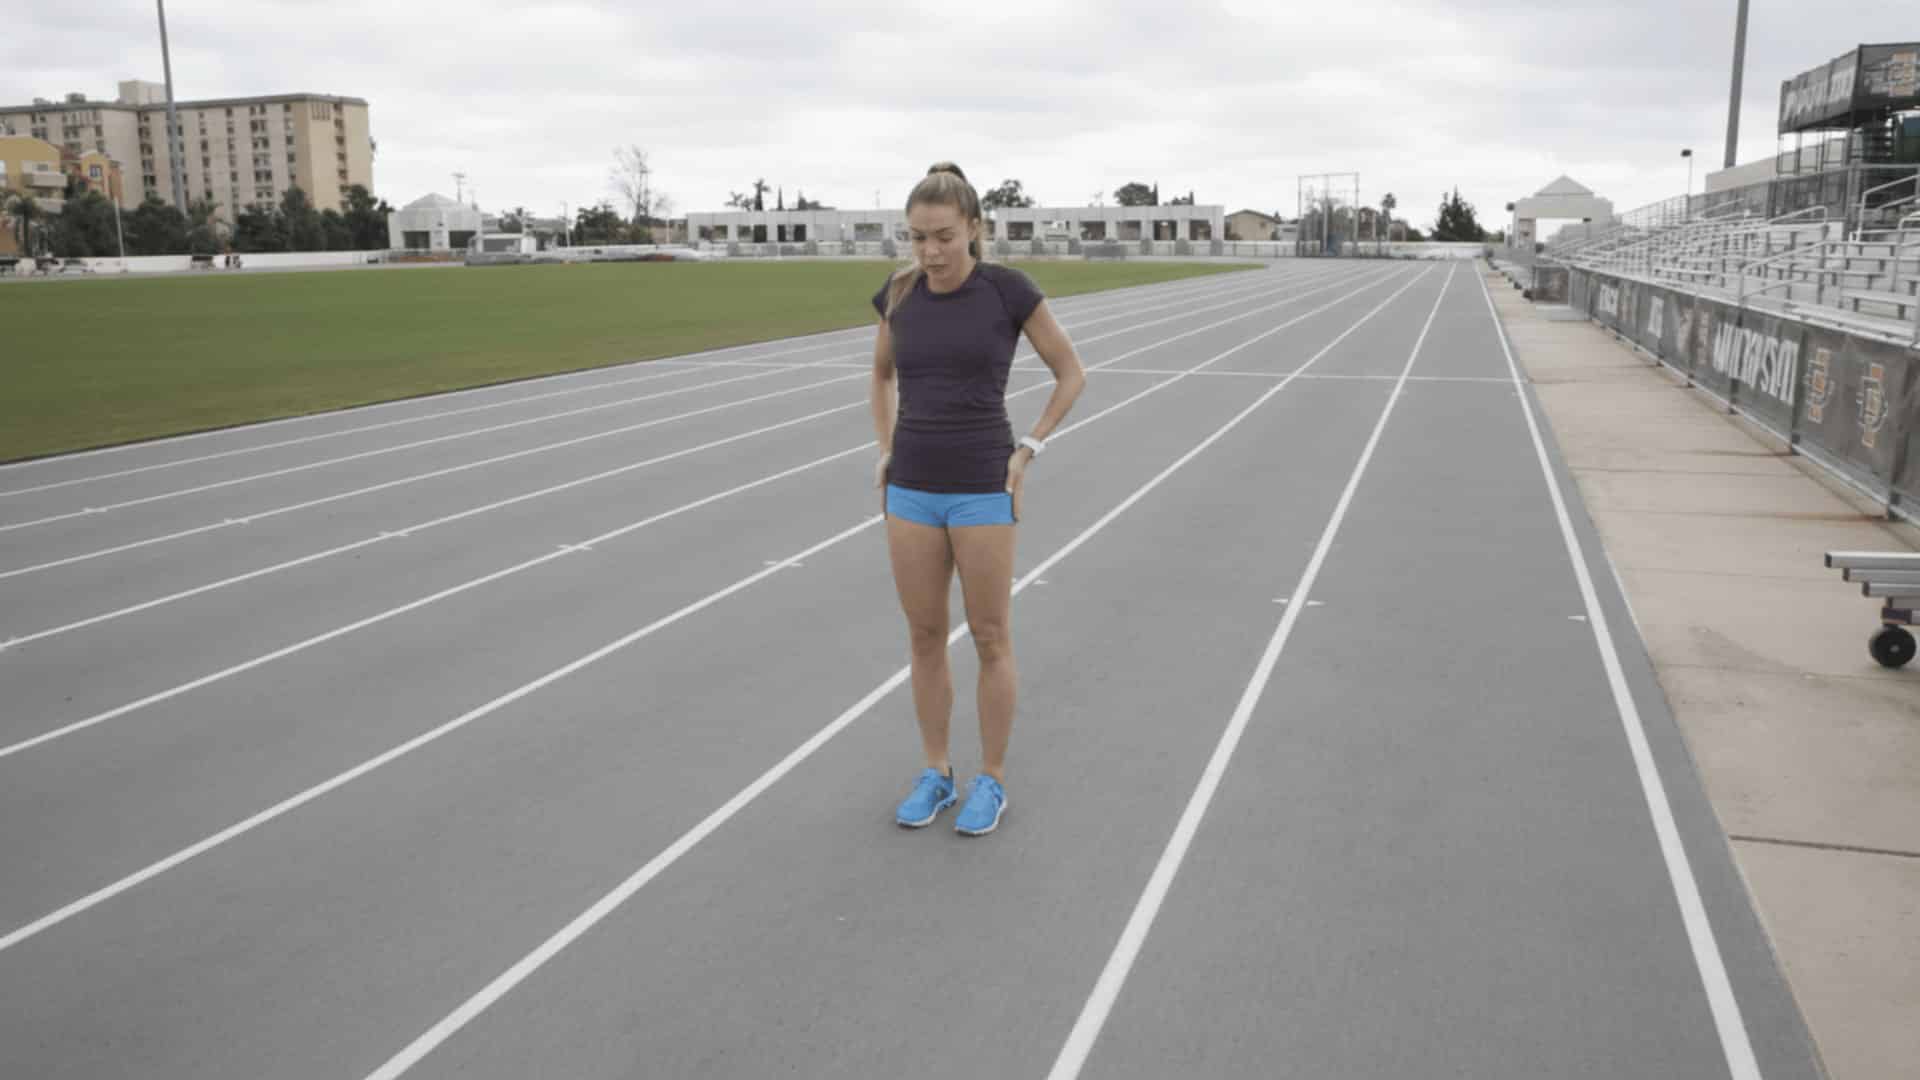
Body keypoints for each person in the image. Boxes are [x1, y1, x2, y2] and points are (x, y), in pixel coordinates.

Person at [869, 162, 1087, 836]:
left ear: (974, 230)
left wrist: (1030, 448)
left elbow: (1071, 374)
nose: (930, 252)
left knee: (991, 637)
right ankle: (937, 771)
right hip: (911, 489)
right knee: (925, 635)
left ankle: (991, 779)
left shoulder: (1008, 291)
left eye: (943, 236)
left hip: (983, 489)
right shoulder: (900, 294)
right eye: (916, 238)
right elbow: (880, 376)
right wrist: (885, 448)